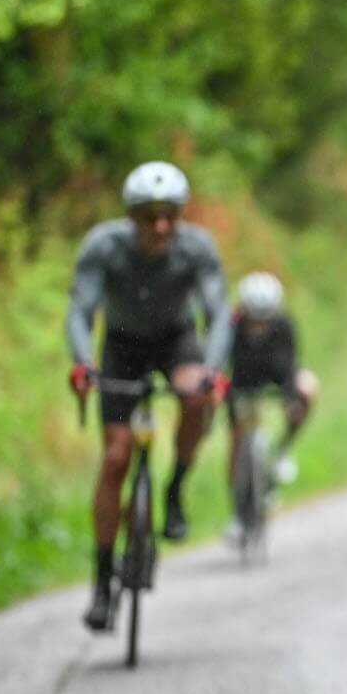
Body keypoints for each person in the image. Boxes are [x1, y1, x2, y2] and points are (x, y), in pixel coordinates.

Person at [65, 161, 232, 632]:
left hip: (176, 341)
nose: (160, 226)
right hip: (120, 346)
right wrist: (83, 362)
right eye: (147, 215)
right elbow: (80, 310)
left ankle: (175, 486)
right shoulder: (104, 246)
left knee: (196, 397)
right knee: (116, 458)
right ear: (130, 215)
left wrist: (213, 370)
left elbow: (218, 313)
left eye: (170, 215)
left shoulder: (197, 247)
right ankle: (102, 581)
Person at [224, 271, 317, 539]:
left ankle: (284, 448)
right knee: (237, 439)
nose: (261, 323)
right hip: (242, 381)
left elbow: (290, 364)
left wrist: (291, 400)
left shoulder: (285, 325)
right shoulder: (232, 326)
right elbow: (223, 363)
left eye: (266, 317)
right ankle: (239, 511)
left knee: (309, 387)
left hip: (277, 377)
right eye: (256, 317)